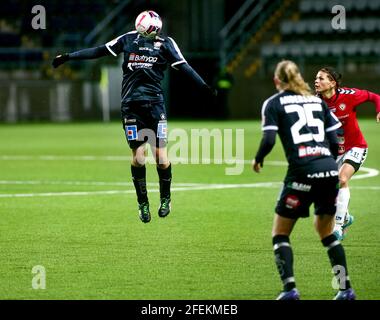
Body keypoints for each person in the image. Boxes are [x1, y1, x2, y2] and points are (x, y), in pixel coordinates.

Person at [52, 10, 216, 223]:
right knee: (139, 158)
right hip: (131, 106)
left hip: (155, 105)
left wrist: (204, 87)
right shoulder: (127, 39)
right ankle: (143, 203)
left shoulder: (166, 44)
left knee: (160, 156)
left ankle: (166, 198)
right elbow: (99, 51)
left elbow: (184, 66)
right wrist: (68, 57)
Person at [252, 60, 355, 300]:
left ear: (277, 81)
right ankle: (346, 289)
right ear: (298, 77)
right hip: (329, 171)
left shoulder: (274, 103)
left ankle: (290, 290)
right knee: (327, 233)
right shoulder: (317, 101)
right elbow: (335, 137)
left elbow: (268, 140)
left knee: (280, 233)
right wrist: (326, 162)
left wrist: (258, 159)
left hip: (301, 172)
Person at [315, 67, 380, 240]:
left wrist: (379, 110)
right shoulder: (315, 102)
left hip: (356, 147)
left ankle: (337, 227)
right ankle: (346, 217)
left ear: (332, 83)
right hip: (334, 151)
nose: (316, 81)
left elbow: (375, 97)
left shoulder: (349, 95)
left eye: (321, 78)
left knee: (342, 179)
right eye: (316, 78)